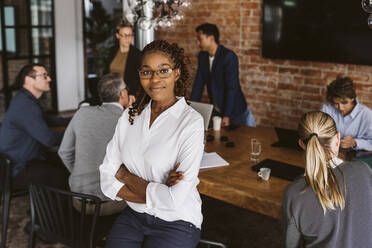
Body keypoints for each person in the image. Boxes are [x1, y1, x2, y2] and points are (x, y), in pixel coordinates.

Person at [100, 40, 204, 247]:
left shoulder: (191, 122)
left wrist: (125, 175)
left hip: (177, 221)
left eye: (163, 70)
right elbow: (106, 179)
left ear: (177, 73)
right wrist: (160, 189)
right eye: (147, 72)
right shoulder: (130, 116)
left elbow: (174, 201)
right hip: (134, 216)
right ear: (139, 75)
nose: (155, 79)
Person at [282, 111, 372, 247]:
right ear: (337, 139)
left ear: (301, 144)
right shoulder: (364, 170)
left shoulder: (294, 193)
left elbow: (291, 245)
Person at [58, 73, 132, 215]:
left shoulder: (82, 113)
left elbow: (64, 152)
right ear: (123, 94)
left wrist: (82, 174)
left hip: (79, 200)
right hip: (109, 204)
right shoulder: (127, 120)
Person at [0, 63, 69, 190]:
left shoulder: (25, 99)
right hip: (18, 169)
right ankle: (52, 209)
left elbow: (46, 119)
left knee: (64, 161)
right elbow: (48, 139)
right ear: (28, 80)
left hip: (23, 160)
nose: (49, 79)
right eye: (44, 76)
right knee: (64, 176)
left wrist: (72, 121)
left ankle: (45, 208)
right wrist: (74, 135)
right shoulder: (25, 105)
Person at [190, 23, 255, 127]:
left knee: (244, 141)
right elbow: (198, 85)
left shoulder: (229, 57)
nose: (197, 43)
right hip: (217, 110)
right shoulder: (202, 56)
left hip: (235, 111)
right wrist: (190, 110)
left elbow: (232, 88)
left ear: (210, 38)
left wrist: (227, 115)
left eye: (200, 39)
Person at [321, 76, 372, 151]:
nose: (340, 107)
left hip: (358, 158)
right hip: (329, 153)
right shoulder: (327, 108)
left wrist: (355, 142)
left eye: (344, 103)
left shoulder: (367, 114)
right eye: (336, 103)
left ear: (352, 98)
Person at [106, 18, 142, 103]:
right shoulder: (112, 51)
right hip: (111, 93)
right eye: (125, 35)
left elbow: (138, 79)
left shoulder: (137, 54)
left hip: (127, 95)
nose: (128, 38)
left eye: (130, 35)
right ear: (117, 35)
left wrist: (132, 94)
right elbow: (106, 72)